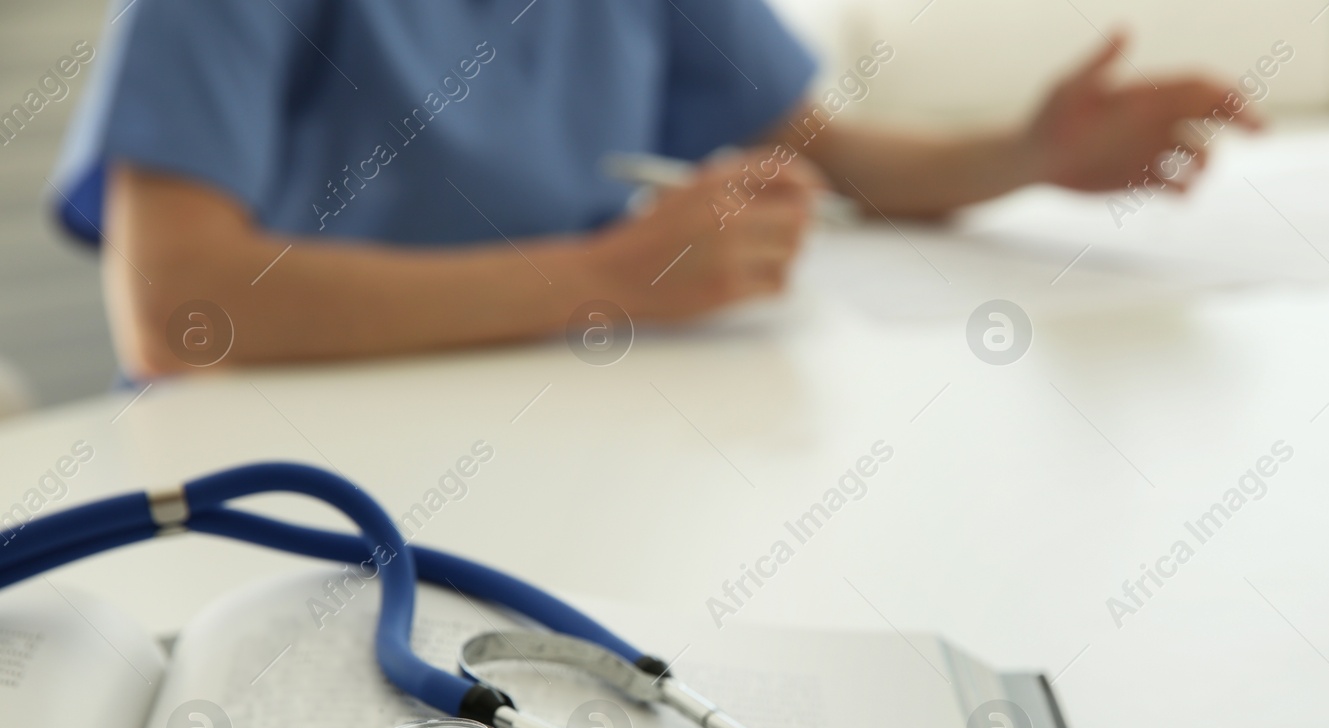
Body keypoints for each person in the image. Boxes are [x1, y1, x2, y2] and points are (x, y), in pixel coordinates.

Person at [51, 0, 1258, 378]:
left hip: (566, 421)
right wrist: (605, 281)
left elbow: (834, 154)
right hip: (286, 457)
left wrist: (1027, 152)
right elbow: (176, 308)